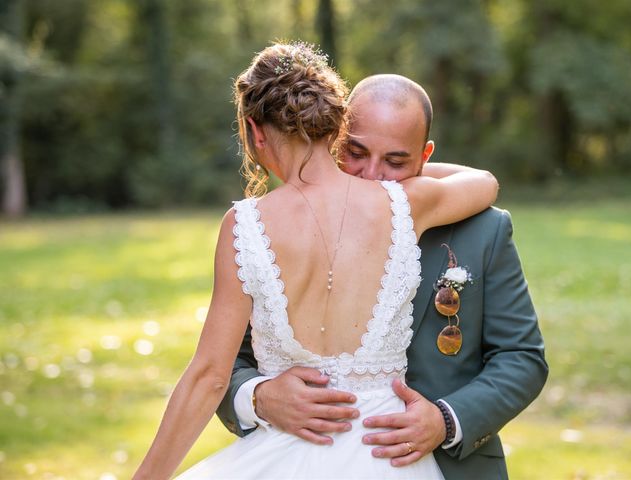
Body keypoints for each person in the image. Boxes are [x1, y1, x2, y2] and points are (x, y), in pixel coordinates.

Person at [132, 43, 498, 480]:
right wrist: (410, 168)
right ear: (335, 126)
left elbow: (209, 376)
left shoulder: (244, 225)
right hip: (388, 457)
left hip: (287, 456)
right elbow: (484, 182)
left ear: (254, 129)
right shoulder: (406, 204)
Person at [216, 74, 548, 479]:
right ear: (332, 138)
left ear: (424, 157)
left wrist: (446, 421)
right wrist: (259, 397)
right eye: (354, 152)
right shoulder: (284, 224)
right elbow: (224, 361)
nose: (371, 174)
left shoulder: (483, 230)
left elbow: (522, 357)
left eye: (395, 161)